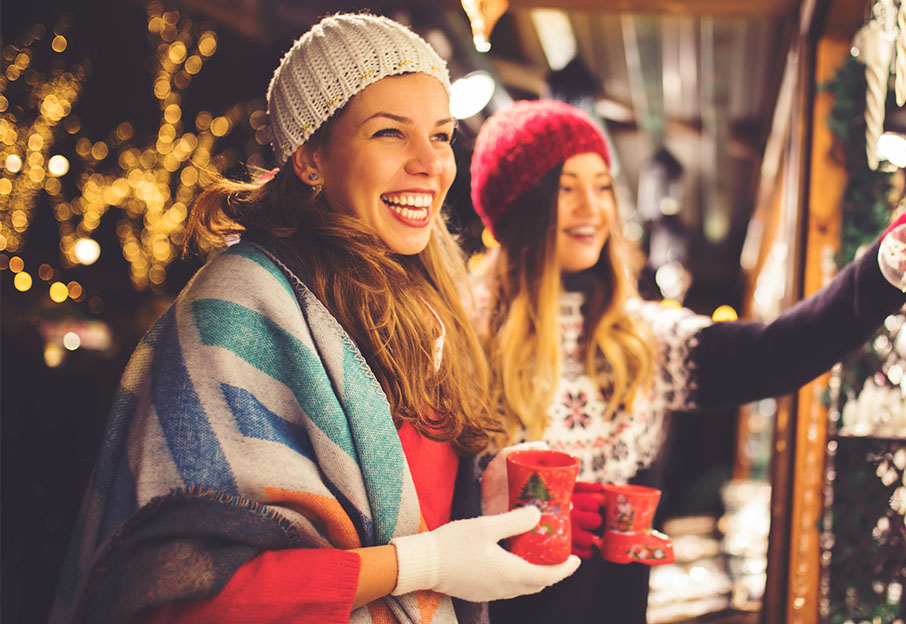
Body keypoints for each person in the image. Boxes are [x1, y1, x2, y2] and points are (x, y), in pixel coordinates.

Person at [50, 15, 578, 624]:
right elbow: (188, 596)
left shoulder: (432, 298)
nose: (429, 163)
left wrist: (504, 500)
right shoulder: (239, 307)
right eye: (388, 133)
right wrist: (424, 564)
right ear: (309, 158)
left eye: (440, 135)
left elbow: (427, 498)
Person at [467, 99, 906, 624]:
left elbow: (774, 353)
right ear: (518, 205)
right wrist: (502, 513)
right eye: (566, 188)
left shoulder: (640, 335)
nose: (592, 207)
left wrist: (883, 271)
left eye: (603, 186)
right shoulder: (463, 335)